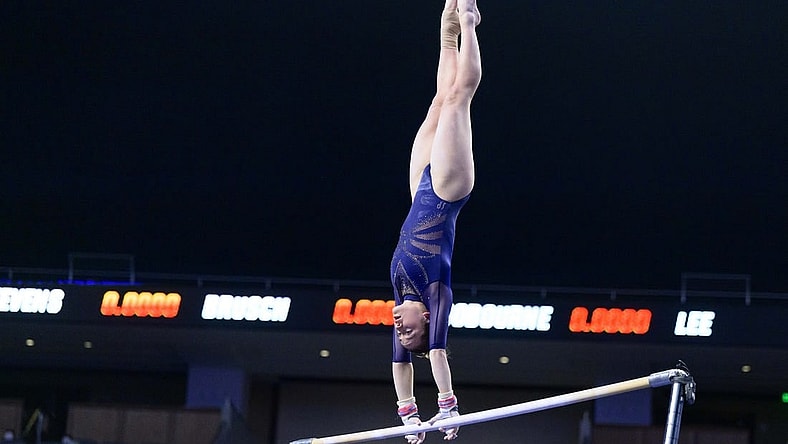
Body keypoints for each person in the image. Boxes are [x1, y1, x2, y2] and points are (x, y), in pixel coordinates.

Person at [389, 0, 481, 442]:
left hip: (417, 192)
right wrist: (447, 408)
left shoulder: (401, 298)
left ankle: (448, 28)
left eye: (398, 329)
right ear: (428, 316)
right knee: (459, 99)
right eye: (408, 328)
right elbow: (437, 351)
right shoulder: (435, 291)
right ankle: (469, 22)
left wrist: (408, 415)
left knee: (439, 99)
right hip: (446, 192)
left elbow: (400, 364)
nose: (398, 324)